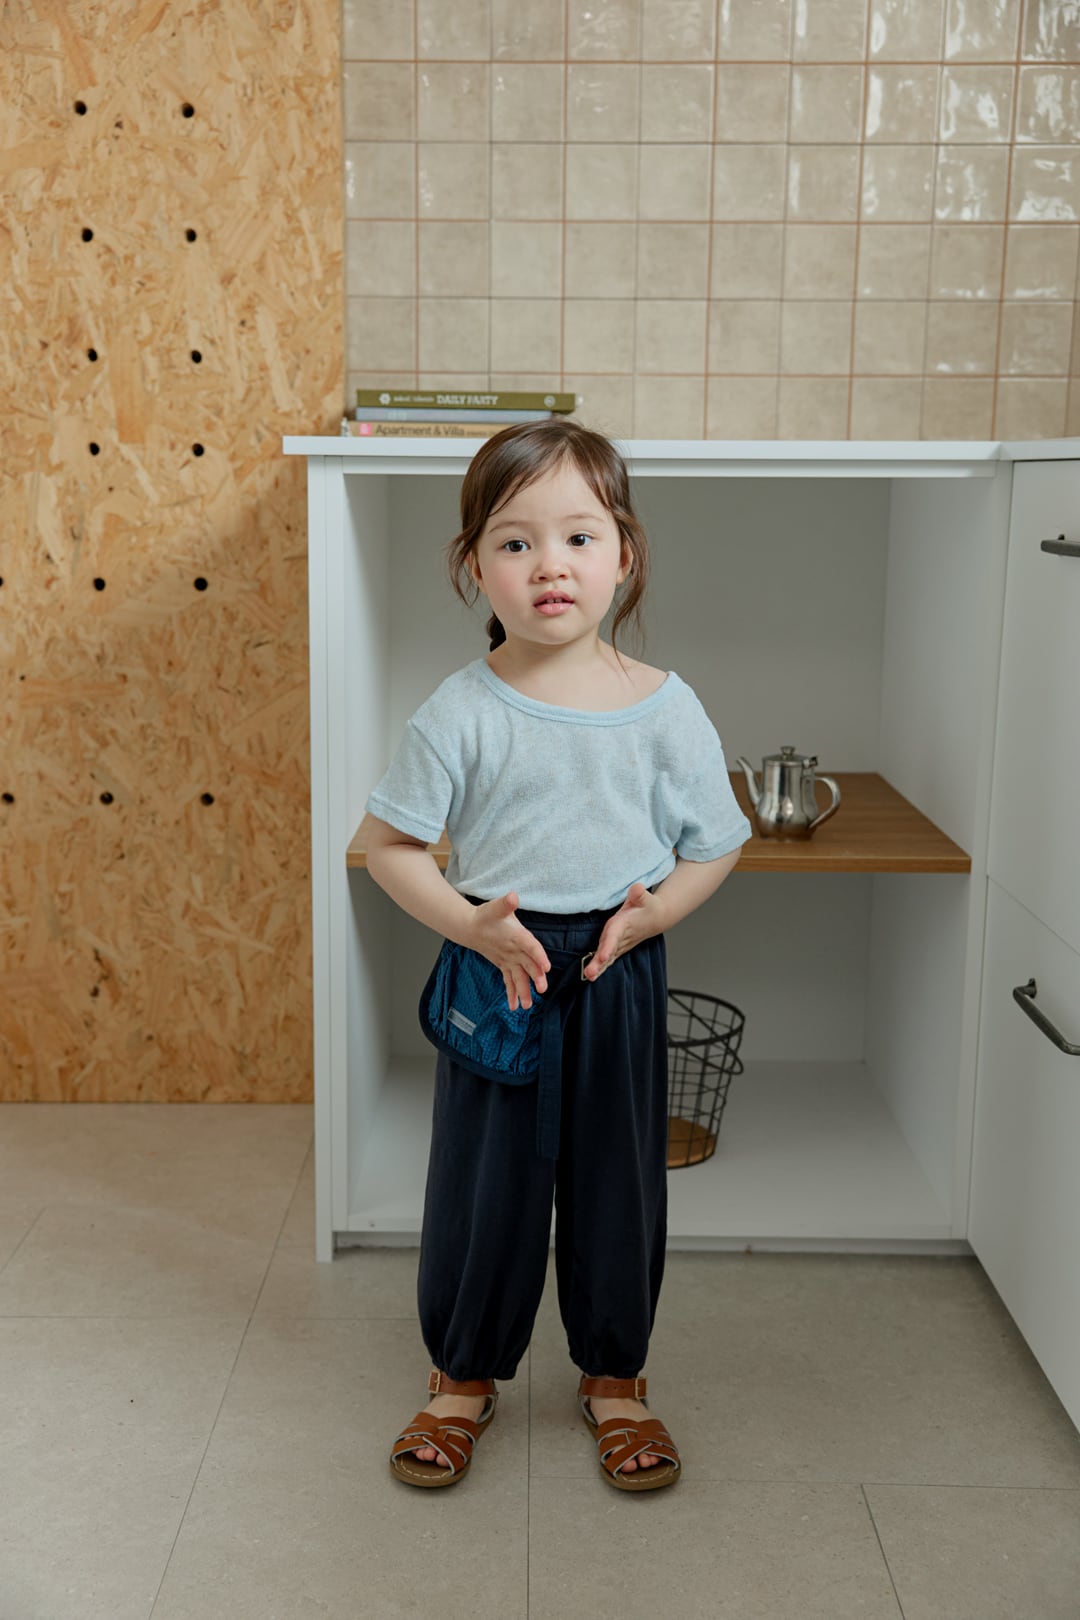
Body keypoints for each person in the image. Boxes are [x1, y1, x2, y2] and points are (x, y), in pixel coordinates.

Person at [364, 418, 751, 1492]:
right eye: (516, 542)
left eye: (579, 537)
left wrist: (655, 918)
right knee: (484, 1185)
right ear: (474, 566)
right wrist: (468, 924)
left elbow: (718, 844)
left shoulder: (666, 707)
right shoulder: (460, 711)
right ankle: (460, 1378)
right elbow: (387, 848)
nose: (550, 566)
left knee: (618, 1182)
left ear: (624, 554)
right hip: (503, 969)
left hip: (616, 967)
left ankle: (616, 1380)